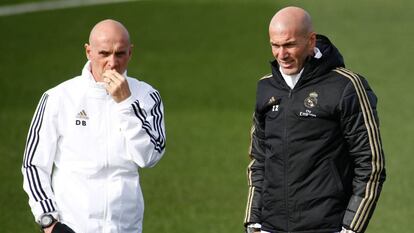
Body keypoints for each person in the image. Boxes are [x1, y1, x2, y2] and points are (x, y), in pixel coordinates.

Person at [243, 6, 385, 233]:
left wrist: (351, 228)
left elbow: (371, 164)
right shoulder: (266, 86)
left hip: (326, 226)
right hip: (270, 226)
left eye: (289, 44)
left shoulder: (346, 87)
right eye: (275, 45)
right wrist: (253, 220)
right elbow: (258, 160)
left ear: (311, 41)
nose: (281, 54)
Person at [22, 19, 166, 233]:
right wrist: (49, 221)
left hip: (126, 228)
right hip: (72, 227)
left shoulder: (146, 96)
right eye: (104, 53)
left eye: (120, 54)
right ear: (88, 52)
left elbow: (149, 157)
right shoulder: (58, 97)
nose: (112, 63)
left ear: (130, 53)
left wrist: (125, 104)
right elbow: (34, 164)